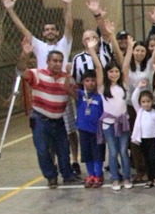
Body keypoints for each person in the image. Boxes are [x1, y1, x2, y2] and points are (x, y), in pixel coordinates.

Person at [17, 39, 79, 188]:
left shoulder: (67, 79)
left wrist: (70, 80)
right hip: (40, 120)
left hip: (58, 121)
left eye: (60, 61)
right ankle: (51, 177)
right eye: (54, 61)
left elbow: (76, 96)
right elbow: (20, 71)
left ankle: (68, 175)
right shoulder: (37, 74)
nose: (57, 63)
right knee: (43, 150)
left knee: (63, 150)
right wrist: (25, 55)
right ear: (48, 62)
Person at [94, 44, 132, 191]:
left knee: (123, 151)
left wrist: (129, 49)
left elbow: (126, 65)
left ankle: (127, 177)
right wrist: (92, 50)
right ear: (107, 73)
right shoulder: (103, 87)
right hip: (108, 124)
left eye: (116, 71)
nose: (114, 74)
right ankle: (115, 178)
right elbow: (98, 67)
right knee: (113, 151)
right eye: (111, 71)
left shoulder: (123, 85)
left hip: (123, 123)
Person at [131, 80, 155, 188]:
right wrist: (138, 87)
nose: (146, 104)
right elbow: (133, 99)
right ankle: (150, 178)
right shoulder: (140, 111)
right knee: (146, 159)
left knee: (153, 158)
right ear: (140, 103)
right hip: (143, 139)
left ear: (152, 102)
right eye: (143, 102)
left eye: (148, 101)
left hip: (153, 139)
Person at [75, 69, 104, 187]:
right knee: (86, 154)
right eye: (87, 80)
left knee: (97, 153)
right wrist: (68, 73)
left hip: (97, 130)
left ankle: (98, 175)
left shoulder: (100, 96)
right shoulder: (80, 95)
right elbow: (67, 88)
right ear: (82, 82)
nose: (90, 83)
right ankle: (90, 174)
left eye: (93, 80)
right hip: (83, 129)